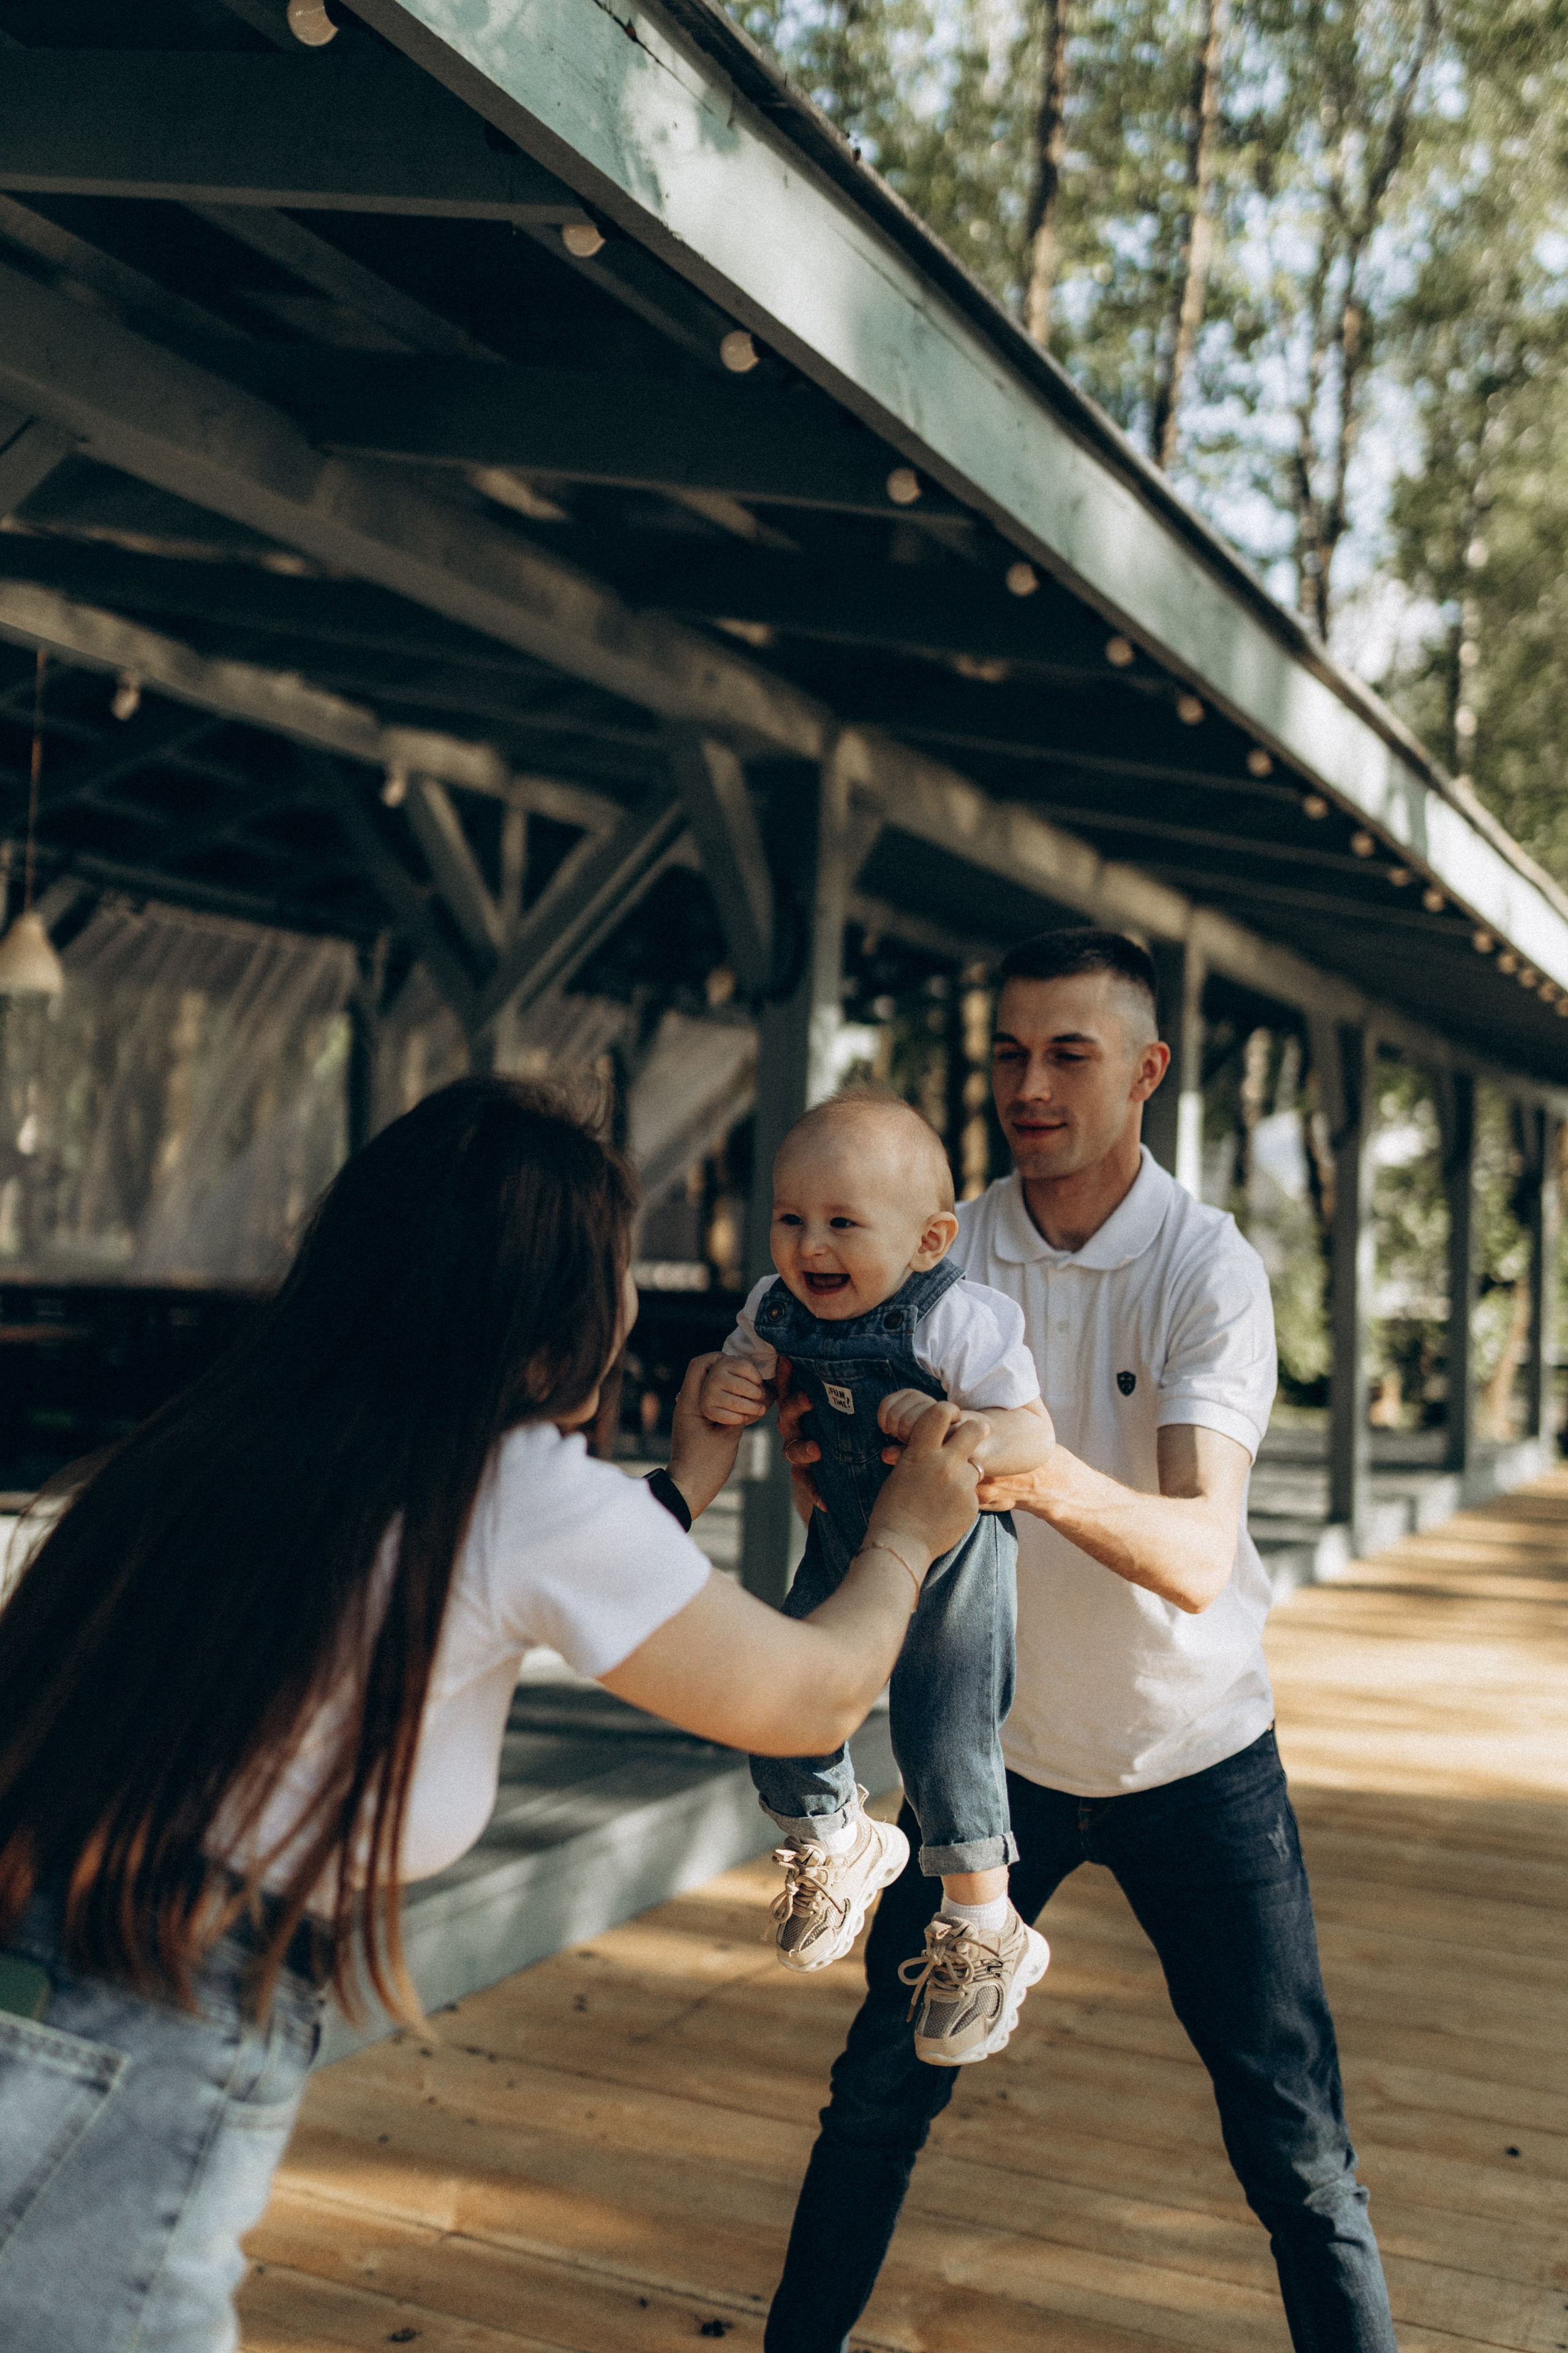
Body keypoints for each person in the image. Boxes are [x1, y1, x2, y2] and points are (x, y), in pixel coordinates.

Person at [0, 1076, 988, 2353]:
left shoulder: (229, 1429)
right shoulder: (509, 1480)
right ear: (566, 1302)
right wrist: (908, 1537)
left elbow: (489, 1568)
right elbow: (809, 1695)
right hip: (153, 2000)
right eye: (619, 1267)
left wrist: (683, 1481)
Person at [764, 929, 1399, 2353]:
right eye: (1006, 1052)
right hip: (982, 1766)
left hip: (1192, 1755)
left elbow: (1190, 1551)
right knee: (872, 2102)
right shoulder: (934, 1238)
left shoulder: (1204, 1269)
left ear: (1145, 1072)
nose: (1027, 1084)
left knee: (1295, 2152)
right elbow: (837, 1476)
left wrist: (1011, 1458)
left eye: (1068, 1053)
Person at [700, 1093, 1053, 2064]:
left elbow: (1035, 1432)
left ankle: (987, 1927)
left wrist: (970, 1433)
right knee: (777, 1687)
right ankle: (834, 1836)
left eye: (843, 1223)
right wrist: (727, 1388)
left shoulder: (960, 1320)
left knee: (944, 1732)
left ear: (930, 1240)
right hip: (848, 1539)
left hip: (952, 1558)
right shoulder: (772, 1310)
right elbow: (742, 1372)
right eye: (790, 1217)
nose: (810, 1244)